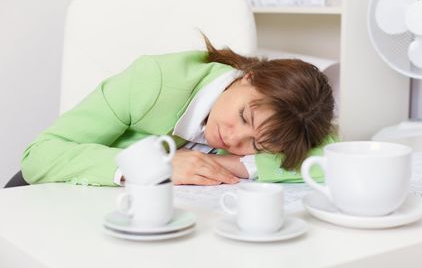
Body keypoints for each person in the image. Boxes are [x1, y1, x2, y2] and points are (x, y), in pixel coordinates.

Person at [20, 35, 336, 187]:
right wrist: (159, 167)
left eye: (256, 144)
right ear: (248, 76)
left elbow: (334, 159)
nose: (233, 138)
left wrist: (238, 164)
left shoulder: (288, 123)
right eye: (243, 117)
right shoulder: (152, 82)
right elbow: (39, 156)